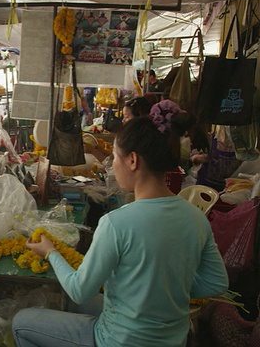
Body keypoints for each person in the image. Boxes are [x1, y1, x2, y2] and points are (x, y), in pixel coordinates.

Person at [13, 101, 228, 346]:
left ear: (133, 160)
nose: (113, 165)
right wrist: (167, 286)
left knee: (21, 322)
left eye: (115, 156)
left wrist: (50, 252)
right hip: (173, 339)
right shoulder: (196, 218)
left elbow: (80, 289)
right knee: (73, 304)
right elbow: (216, 282)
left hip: (120, 340)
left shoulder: (117, 223)